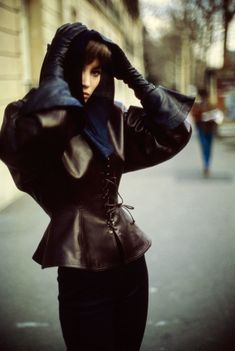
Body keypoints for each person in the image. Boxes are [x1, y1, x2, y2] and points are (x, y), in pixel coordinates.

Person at [0, 23, 194, 351]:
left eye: (97, 71)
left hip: (132, 264)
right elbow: (33, 137)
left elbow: (177, 132)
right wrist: (53, 77)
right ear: (60, 70)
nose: (87, 82)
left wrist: (133, 77)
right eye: (79, 70)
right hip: (81, 271)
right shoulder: (25, 120)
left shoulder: (111, 118)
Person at [192, 89, 217, 177]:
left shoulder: (211, 105)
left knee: (208, 148)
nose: (204, 98)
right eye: (203, 97)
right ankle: (206, 166)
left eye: (205, 97)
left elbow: (216, 117)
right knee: (205, 147)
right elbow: (195, 117)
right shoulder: (198, 106)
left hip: (210, 129)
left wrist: (211, 117)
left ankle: (207, 166)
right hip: (202, 129)